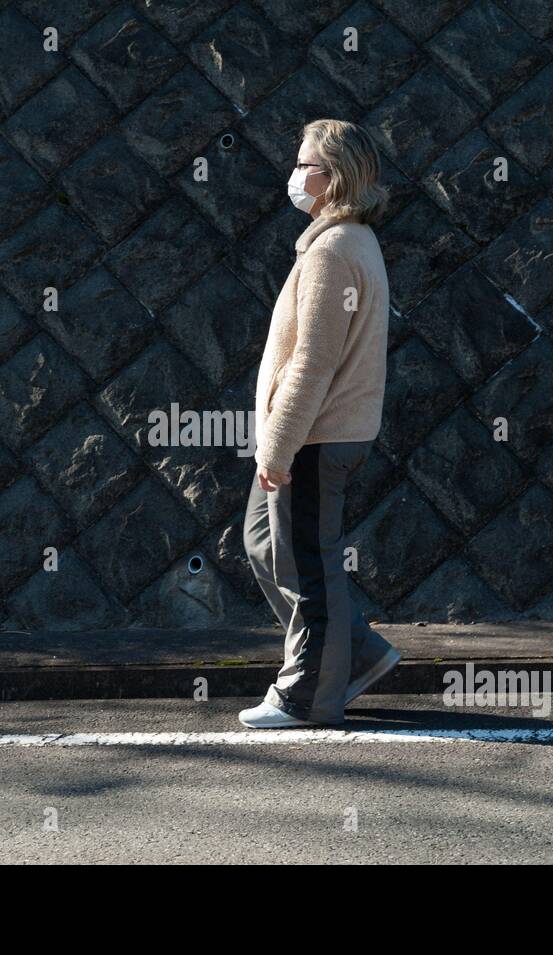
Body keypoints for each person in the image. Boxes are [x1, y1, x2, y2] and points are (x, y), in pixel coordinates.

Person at [240, 118, 400, 729]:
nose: (296, 175)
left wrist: (277, 448)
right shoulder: (341, 242)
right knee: (265, 542)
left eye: (306, 164)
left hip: (316, 434)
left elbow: (313, 361)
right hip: (317, 431)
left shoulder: (334, 251)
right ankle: (356, 652)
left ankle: (306, 695)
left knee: (309, 563)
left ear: (333, 178)